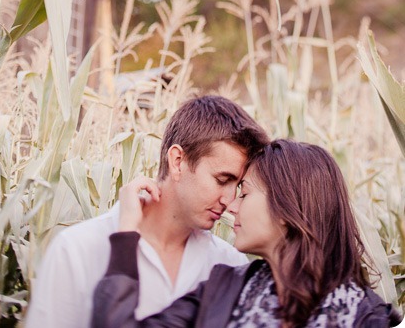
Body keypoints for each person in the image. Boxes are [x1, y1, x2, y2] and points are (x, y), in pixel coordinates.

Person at [91, 139, 402, 328]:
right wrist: (128, 231)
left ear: (286, 210)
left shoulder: (368, 318)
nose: (231, 206)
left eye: (244, 193)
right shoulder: (222, 291)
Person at [25, 95, 269, 328]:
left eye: (237, 187)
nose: (229, 200)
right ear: (177, 161)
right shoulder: (77, 249)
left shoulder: (228, 263)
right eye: (221, 179)